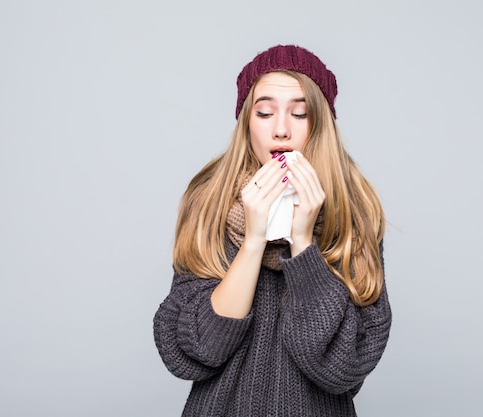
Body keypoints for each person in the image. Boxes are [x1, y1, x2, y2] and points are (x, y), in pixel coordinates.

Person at [153, 44, 391, 417]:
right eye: (264, 112)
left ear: (321, 124)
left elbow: (344, 367)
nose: (281, 130)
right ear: (246, 121)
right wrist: (252, 241)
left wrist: (303, 242)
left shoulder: (354, 211)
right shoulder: (209, 200)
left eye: (300, 113)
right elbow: (194, 352)